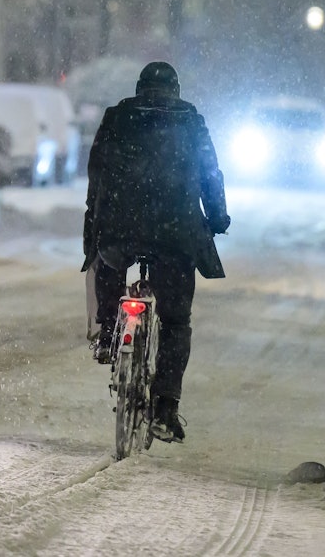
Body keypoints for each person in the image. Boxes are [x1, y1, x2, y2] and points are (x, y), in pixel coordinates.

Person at [82, 61, 230, 444]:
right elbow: (210, 174)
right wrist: (217, 217)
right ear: (175, 91)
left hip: (120, 224)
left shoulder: (117, 116)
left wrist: (96, 212)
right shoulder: (192, 121)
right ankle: (165, 408)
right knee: (176, 321)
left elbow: (96, 169)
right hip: (175, 231)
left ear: (139, 88)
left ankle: (109, 332)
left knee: (110, 261)